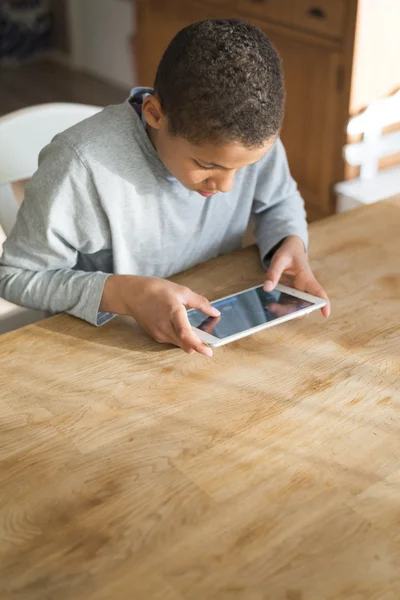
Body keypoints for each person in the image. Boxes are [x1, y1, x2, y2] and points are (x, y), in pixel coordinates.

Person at [0, 18, 330, 358]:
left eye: (243, 168)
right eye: (206, 165)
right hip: (102, 348)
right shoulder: (80, 167)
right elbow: (16, 276)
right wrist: (124, 294)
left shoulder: (249, 135)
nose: (227, 185)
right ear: (154, 113)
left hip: (201, 331)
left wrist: (289, 240)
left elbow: (279, 200)